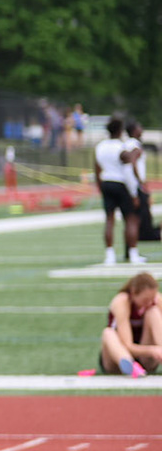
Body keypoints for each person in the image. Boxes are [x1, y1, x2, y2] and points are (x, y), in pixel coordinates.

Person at [94, 116, 145, 266]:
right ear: (120, 131)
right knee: (130, 219)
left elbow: (97, 170)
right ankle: (133, 254)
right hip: (121, 184)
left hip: (106, 183)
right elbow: (128, 170)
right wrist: (134, 193)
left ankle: (109, 255)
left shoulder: (100, 147)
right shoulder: (120, 147)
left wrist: (100, 187)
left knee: (109, 220)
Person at [98, 272, 161, 377]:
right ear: (133, 293)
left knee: (153, 312)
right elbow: (128, 345)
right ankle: (130, 366)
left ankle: (136, 367)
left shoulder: (156, 300)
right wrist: (152, 350)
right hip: (118, 356)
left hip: (145, 358)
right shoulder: (122, 302)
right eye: (145, 300)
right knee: (108, 333)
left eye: (152, 299)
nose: (149, 303)